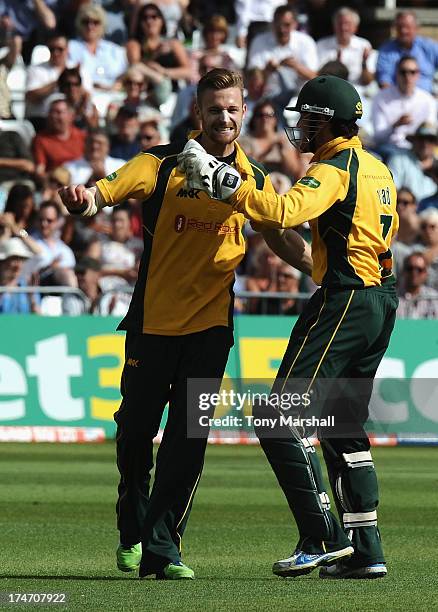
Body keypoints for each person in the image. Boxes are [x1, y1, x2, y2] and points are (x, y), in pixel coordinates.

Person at [57, 68, 312, 581]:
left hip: (211, 328)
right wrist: (84, 201)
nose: (224, 117)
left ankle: (163, 548)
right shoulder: (163, 162)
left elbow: (278, 234)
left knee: (187, 440)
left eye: (232, 109)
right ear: (199, 112)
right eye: (214, 108)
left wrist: (321, 269)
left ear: (244, 112)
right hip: (152, 325)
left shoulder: (252, 180)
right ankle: (131, 526)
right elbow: (106, 191)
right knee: (134, 435)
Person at [179, 74, 399, 579]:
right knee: (341, 426)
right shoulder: (378, 166)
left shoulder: (333, 168)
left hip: (346, 298)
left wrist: (226, 183)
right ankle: (366, 551)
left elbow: (284, 211)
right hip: (380, 302)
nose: (302, 129)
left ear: (329, 123)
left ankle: (323, 536)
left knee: (279, 416)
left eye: (309, 120)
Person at [247, 5, 318, 101]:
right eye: (278, 24)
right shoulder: (259, 41)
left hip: (298, 98)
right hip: (267, 98)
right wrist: (267, 71)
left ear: (295, 24)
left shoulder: (306, 42)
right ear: (272, 24)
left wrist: (295, 66)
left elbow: (315, 77)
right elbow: (253, 81)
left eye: (286, 25)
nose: (282, 29)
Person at [371, 56, 437, 156]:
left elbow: (430, 132)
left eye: (412, 72)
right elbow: (379, 138)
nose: (407, 76)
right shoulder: (381, 97)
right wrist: (395, 125)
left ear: (418, 74)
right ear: (396, 74)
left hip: (419, 151)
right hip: (390, 149)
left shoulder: (428, 100)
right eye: (403, 72)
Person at [376, 11, 438, 93]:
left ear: (416, 28)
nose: (403, 31)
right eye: (400, 27)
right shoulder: (386, 50)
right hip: (396, 99)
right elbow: (384, 81)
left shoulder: (429, 47)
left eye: (407, 27)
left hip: (428, 99)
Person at [316, 7, 376, 88]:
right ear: (334, 25)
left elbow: (368, 81)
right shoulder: (321, 44)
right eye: (340, 23)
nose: (343, 28)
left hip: (358, 91)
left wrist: (364, 63)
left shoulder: (364, 45)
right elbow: (315, 75)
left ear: (355, 27)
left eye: (347, 23)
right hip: (328, 90)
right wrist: (335, 67)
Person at [32, 98, 86, 177]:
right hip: (58, 183)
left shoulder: (82, 136)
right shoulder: (41, 139)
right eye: (51, 112)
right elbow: (40, 170)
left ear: (71, 116)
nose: (54, 116)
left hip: (83, 181)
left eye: (58, 112)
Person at [386, 122, 438, 203]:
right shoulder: (399, 159)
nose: (425, 143)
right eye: (421, 138)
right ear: (414, 141)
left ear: (435, 143)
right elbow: (391, 190)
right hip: (404, 209)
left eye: (430, 139)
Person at [397, 252, 438, 319]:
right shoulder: (392, 298)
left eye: (419, 270)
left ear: (426, 273)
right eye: (410, 268)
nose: (414, 273)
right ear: (403, 271)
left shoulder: (434, 298)